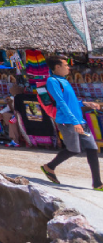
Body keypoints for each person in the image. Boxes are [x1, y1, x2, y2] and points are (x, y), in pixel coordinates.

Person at [40, 55, 102, 190]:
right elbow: (61, 103)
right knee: (74, 149)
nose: (69, 67)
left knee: (92, 148)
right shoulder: (53, 81)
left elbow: (71, 102)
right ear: (57, 67)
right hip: (67, 122)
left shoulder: (64, 80)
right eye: (65, 65)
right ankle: (49, 167)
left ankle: (97, 183)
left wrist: (86, 103)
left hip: (79, 120)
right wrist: (75, 123)